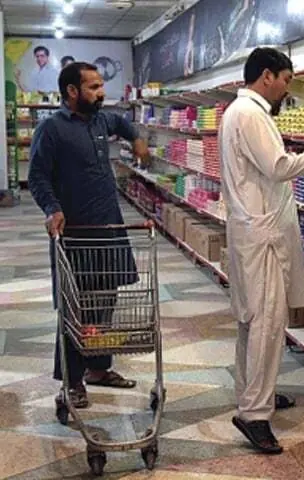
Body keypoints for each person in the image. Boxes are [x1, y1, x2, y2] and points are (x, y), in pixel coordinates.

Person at [220, 47, 304, 454]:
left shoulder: (238, 113)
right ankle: (254, 415)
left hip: (252, 231)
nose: (287, 88)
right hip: (262, 237)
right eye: (286, 79)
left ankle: (254, 395)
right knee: (266, 323)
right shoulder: (251, 114)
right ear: (266, 76)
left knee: (251, 320)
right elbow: (277, 166)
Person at [28, 62, 151, 410]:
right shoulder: (50, 129)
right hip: (75, 234)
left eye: (101, 86)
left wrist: (137, 140)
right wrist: (52, 209)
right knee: (74, 309)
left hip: (108, 229)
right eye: (94, 87)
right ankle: (72, 382)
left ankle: (99, 368)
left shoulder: (101, 120)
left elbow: (124, 124)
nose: (101, 93)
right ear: (72, 91)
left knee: (104, 301)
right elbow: (37, 176)